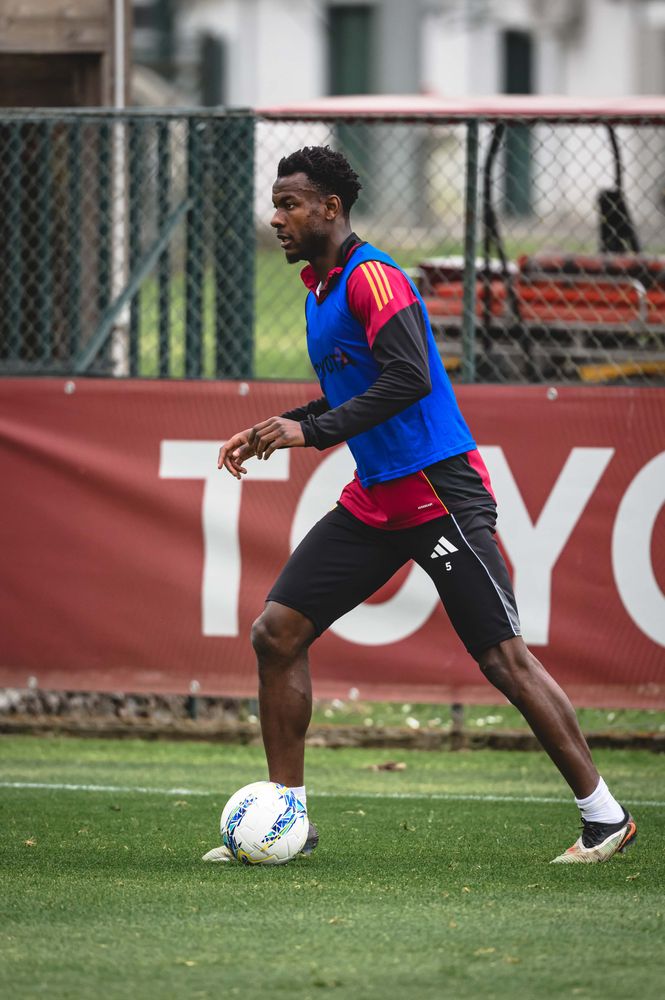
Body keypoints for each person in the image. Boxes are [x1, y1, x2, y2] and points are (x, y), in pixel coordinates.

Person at [204, 146, 636, 865]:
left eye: (288, 205)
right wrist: (279, 426)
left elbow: (408, 379)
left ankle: (605, 818)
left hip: (438, 493)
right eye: (275, 204)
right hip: (376, 499)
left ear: (330, 208)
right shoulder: (318, 292)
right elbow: (351, 392)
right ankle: (287, 821)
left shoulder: (374, 277)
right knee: (276, 634)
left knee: (503, 659)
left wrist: (310, 433)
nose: (276, 218)